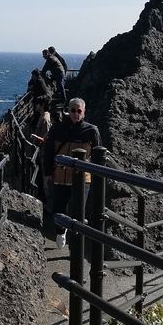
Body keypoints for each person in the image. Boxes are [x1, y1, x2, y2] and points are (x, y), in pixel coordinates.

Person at [42, 97, 101, 244]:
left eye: (79, 110)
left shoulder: (91, 131)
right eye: (72, 110)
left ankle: (76, 247)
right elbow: (48, 151)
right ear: (68, 111)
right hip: (60, 177)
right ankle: (60, 232)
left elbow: (98, 155)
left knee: (78, 212)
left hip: (82, 179)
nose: (75, 113)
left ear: (84, 112)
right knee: (58, 209)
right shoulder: (58, 128)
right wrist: (47, 173)